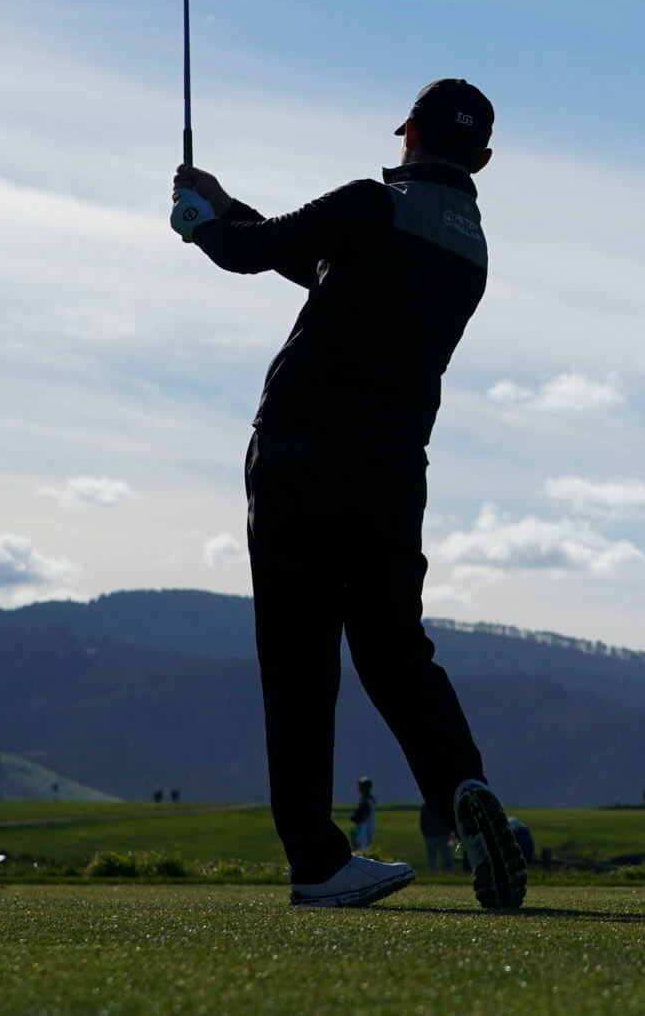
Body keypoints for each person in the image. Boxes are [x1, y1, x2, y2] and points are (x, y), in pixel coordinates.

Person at [170, 78, 527, 912]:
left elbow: (255, 252)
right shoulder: (469, 247)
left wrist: (203, 223)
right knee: (395, 647)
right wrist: (228, 206)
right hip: (394, 468)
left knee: (298, 657)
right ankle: (462, 785)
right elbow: (313, 258)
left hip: (300, 451)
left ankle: (318, 861)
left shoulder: (371, 201)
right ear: (481, 158)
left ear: (405, 132)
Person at [419, 801, 454, 873]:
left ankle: (447, 873)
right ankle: (435, 873)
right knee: (433, 858)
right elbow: (423, 822)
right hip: (433, 836)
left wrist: (449, 834)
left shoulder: (426, 807)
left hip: (443, 836)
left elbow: (450, 820)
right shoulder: (425, 807)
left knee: (447, 858)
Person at [350, 776, 376, 850]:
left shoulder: (367, 801)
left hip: (364, 829)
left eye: (360, 786)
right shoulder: (367, 800)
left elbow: (363, 815)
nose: (359, 788)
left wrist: (354, 818)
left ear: (364, 788)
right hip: (364, 828)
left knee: (362, 849)